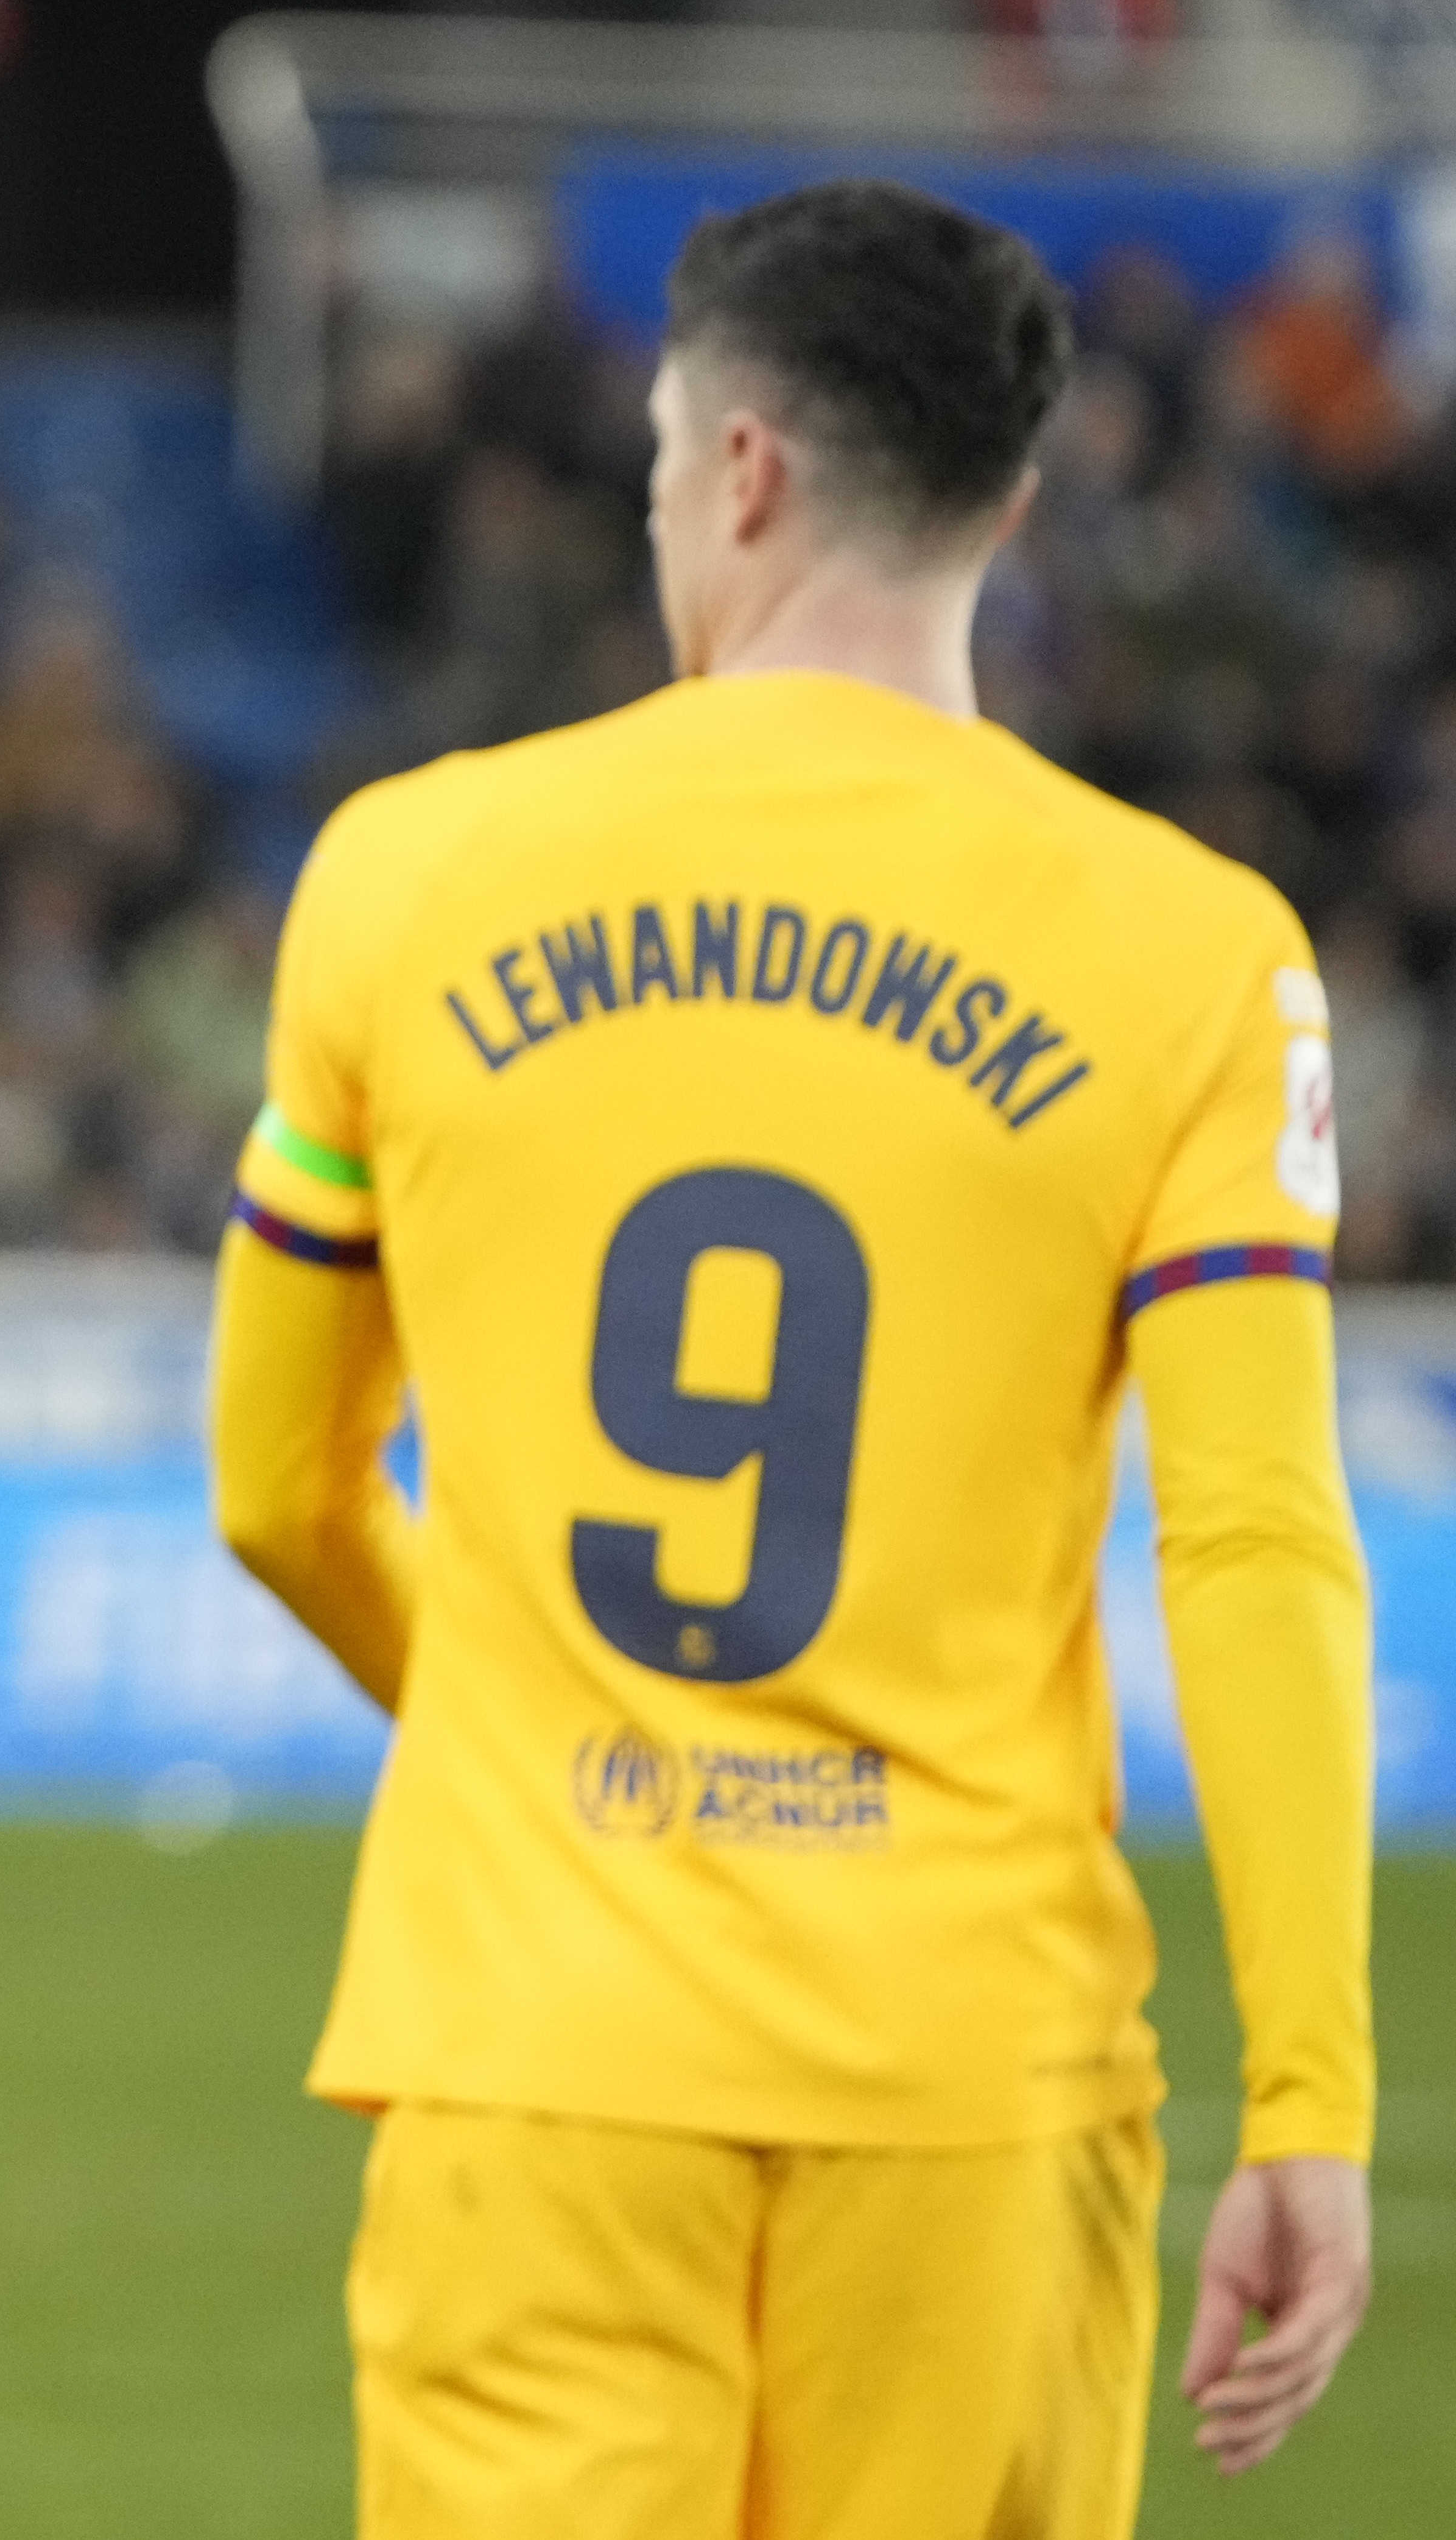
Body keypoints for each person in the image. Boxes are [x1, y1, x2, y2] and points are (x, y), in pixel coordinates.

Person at [209, 178, 1376, 2538]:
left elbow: (276, 1485)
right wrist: (1316, 2099)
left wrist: (550, 1734)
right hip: (974, 2071)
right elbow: (1253, 1536)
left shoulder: (406, 876)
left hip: (540, 2049)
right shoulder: (1193, 953)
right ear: (1009, 500)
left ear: (736, 467)